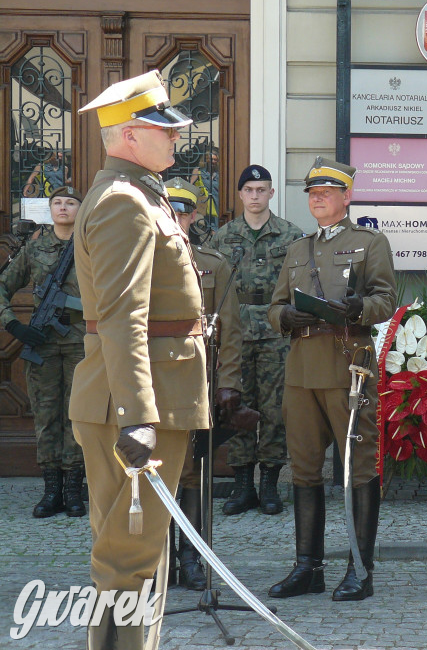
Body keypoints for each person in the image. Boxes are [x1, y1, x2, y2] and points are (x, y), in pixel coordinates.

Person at [71, 70, 209, 649]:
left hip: (145, 395)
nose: (176, 139)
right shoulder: (124, 202)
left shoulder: (139, 193)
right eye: (163, 130)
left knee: (132, 558)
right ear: (128, 135)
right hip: (134, 401)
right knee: (130, 561)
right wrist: (138, 415)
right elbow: (124, 316)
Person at [267, 157, 397, 602]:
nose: (316, 198)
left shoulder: (369, 242)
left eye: (325, 192)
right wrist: (286, 314)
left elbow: (386, 299)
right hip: (302, 368)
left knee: (357, 467)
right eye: (311, 193)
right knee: (303, 468)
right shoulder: (296, 249)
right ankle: (308, 567)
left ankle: (360, 569)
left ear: (346, 197)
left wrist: (358, 307)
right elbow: (273, 307)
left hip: (348, 365)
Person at [166, 178, 256, 590]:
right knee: (156, 470)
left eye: (186, 211)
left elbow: (232, 333)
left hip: (199, 383)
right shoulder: (141, 261)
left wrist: (229, 385)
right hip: (154, 382)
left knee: (192, 474)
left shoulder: (214, 263)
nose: (180, 217)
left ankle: (192, 557)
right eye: (173, 210)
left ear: (196, 215)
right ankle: (159, 559)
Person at [210, 164, 303, 516]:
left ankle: (269, 483)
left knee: (274, 408)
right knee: (236, 404)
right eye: (248, 190)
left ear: (271, 194)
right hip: (234, 331)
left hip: (276, 329)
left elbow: (302, 283)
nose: (254, 196)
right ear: (240, 195)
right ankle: (242, 484)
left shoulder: (291, 235)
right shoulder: (223, 237)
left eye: (261, 190)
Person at [0, 187, 86, 518]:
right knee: (47, 415)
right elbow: (3, 287)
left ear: (81, 209)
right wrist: (13, 326)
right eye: (57, 203)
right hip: (43, 342)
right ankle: (51, 490)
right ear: (49, 209)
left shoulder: (91, 246)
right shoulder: (34, 249)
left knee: (76, 414)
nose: (63, 208)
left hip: (80, 341)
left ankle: (74, 490)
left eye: (70, 203)